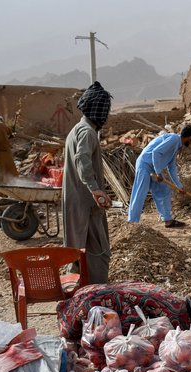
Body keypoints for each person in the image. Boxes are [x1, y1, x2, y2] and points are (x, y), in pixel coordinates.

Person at [62, 81, 112, 284]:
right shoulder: (87, 132)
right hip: (86, 206)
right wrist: (95, 190)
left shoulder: (76, 129)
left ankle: (79, 296)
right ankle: (95, 296)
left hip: (76, 204)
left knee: (77, 253)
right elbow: (82, 159)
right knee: (98, 253)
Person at [128, 125, 191, 227]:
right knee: (140, 192)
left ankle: (168, 220)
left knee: (164, 190)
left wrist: (179, 186)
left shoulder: (177, 145)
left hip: (154, 168)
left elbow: (171, 167)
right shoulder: (173, 139)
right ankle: (132, 223)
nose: (190, 142)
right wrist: (158, 173)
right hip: (145, 165)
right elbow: (155, 153)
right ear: (189, 137)